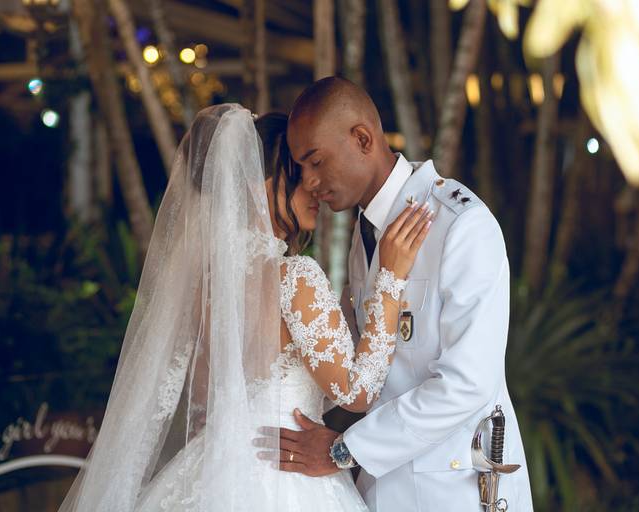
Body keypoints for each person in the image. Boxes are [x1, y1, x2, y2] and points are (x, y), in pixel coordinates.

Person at [57, 104, 431, 511]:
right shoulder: (295, 277)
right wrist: (390, 279)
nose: (315, 187)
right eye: (298, 176)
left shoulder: (205, 289)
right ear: (255, 185)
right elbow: (356, 394)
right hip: (286, 478)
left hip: (209, 474)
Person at [266, 77, 534, 511]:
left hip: (454, 492)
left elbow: (467, 384)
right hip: (381, 489)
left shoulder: (460, 225)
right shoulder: (365, 234)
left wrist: (344, 450)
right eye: (301, 170)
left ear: (362, 139)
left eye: (316, 162)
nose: (310, 182)